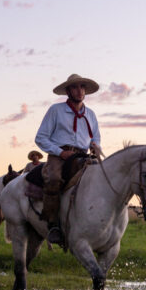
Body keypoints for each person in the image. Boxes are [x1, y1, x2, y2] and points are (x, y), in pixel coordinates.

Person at [35, 73, 102, 245]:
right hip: (60, 155)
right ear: (68, 91)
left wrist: (95, 145)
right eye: (75, 87)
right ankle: (53, 224)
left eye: (82, 87)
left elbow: (95, 137)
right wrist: (60, 152)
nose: (79, 91)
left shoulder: (91, 114)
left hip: (83, 155)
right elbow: (41, 138)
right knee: (54, 179)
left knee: (100, 178)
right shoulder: (56, 110)